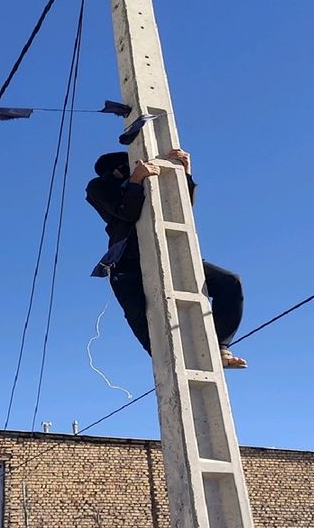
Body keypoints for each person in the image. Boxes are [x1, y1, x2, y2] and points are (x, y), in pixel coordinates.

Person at [86, 149, 248, 368]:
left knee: (229, 282)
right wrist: (134, 181)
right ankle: (170, 365)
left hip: (172, 252)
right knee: (143, 320)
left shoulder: (148, 181)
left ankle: (219, 347)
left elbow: (181, 207)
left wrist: (184, 173)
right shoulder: (99, 187)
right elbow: (127, 212)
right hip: (128, 264)